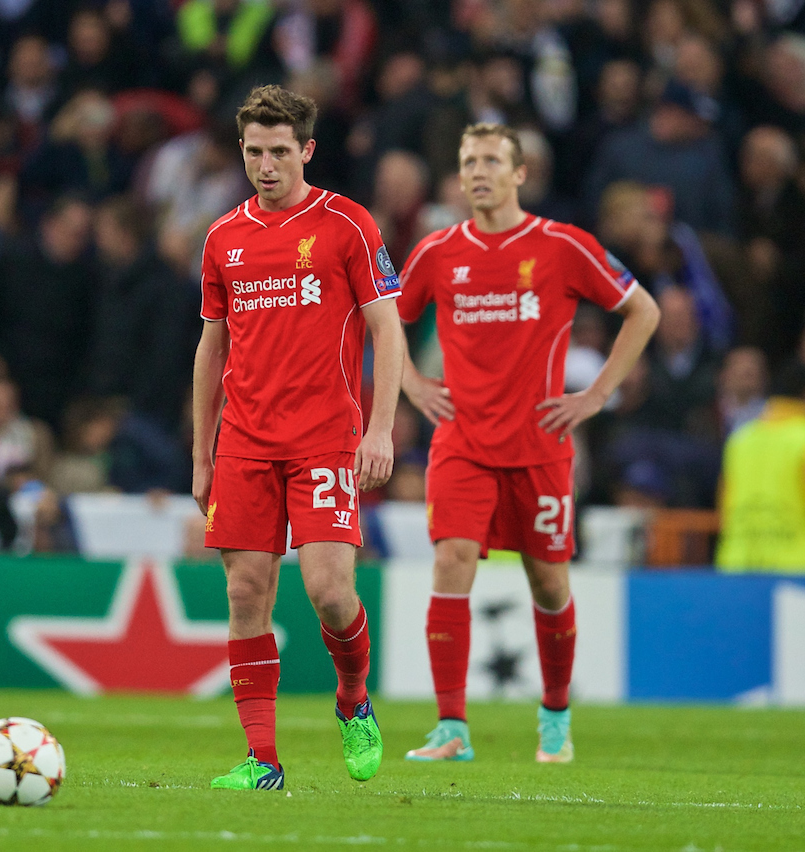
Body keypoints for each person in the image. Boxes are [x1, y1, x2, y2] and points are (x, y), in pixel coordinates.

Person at [397, 122, 660, 763]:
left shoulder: (562, 246)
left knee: (548, 581)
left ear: (520, 174)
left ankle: (556, 716)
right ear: (459, 176)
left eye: (492, 160)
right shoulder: (436, 252)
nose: (479, 171)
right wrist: (409, 383)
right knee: (452, 558)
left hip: (539, 446)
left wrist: (596, 395)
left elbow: (643, 310)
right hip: (461, 442)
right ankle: (452, 727)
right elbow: (383, 320)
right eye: (469, 161)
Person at [192, 85, 405, 791]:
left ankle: (353, 698)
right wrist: (203, 452)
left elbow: (386, 330)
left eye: (280, 152)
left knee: (329, 592)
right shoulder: (223, 237)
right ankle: (263, 762)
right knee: (246, 591)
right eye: (254, 152)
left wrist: (380, 429)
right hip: (245, 443)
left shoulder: (347, 224)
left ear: (307, 150)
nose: (266, 166)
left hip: (324, 439)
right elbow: (211, 349)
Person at [715, 364, 805, 573]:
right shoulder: (801, 438)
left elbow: (724, 504)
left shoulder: (740, 438)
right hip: (795, 573)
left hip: (737, 567)